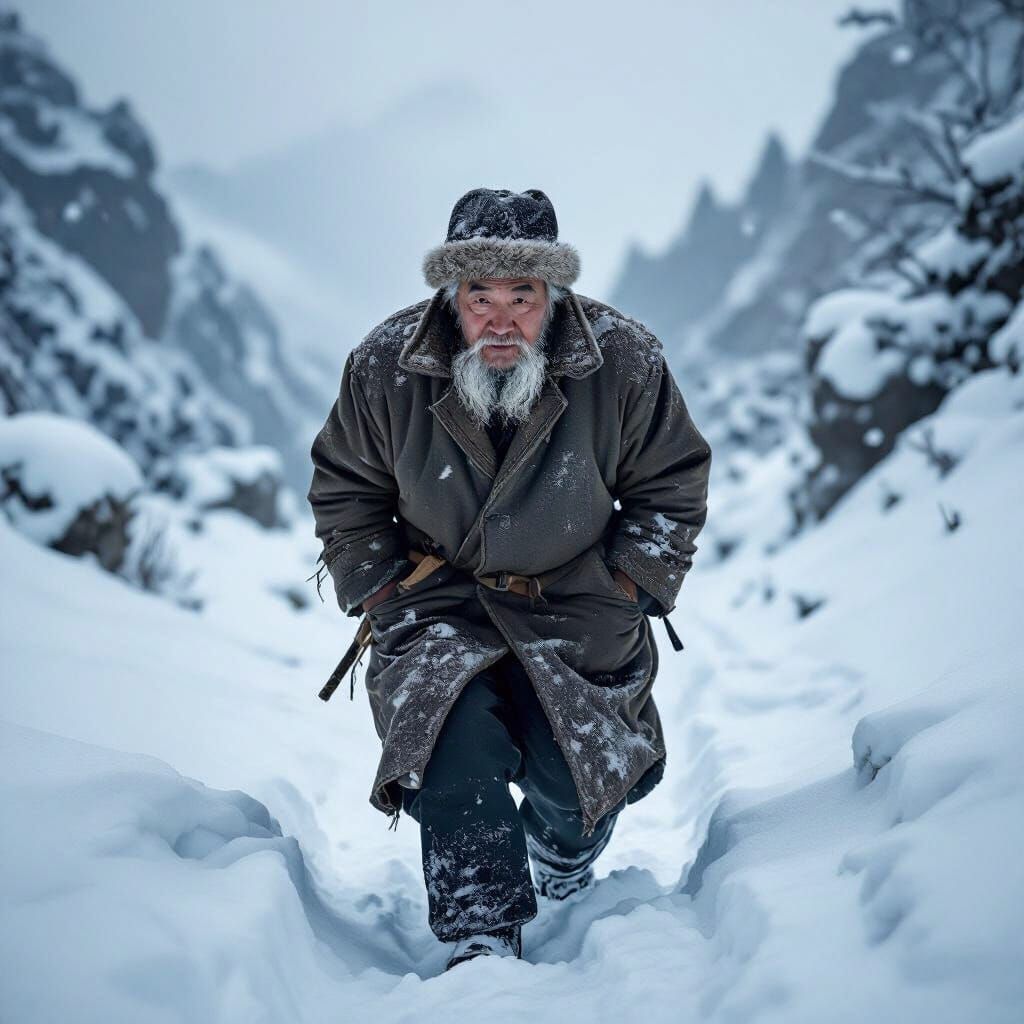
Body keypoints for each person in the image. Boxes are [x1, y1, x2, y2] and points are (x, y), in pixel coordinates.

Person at [307, 187, 711, 971]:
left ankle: (563, 854)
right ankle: (480, 934)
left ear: (552, 296)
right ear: (451, 297)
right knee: (449, 749)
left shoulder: (623, 358)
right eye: (478, 297)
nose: (499, 320)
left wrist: (630, 586)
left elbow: (673, 480)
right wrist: (384, 592)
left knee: (577, 775)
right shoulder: (385, 366)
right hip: (436, 601)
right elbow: (345, 489)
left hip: (579, 602)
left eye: (520, 297)